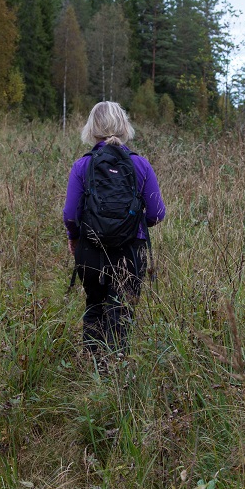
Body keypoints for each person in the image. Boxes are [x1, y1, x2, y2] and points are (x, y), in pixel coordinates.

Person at [63, 101, 165, 356]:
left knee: (95, 304)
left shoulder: (82, 166)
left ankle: (94, 369)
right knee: (121, 311)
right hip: (130, 251)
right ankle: (116, 375)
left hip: (90, 249)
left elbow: (70, 215)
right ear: (123, 126)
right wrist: (135, 224)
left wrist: (74, 239)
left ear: (92, 128)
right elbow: (157, 213)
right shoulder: (140, 165)